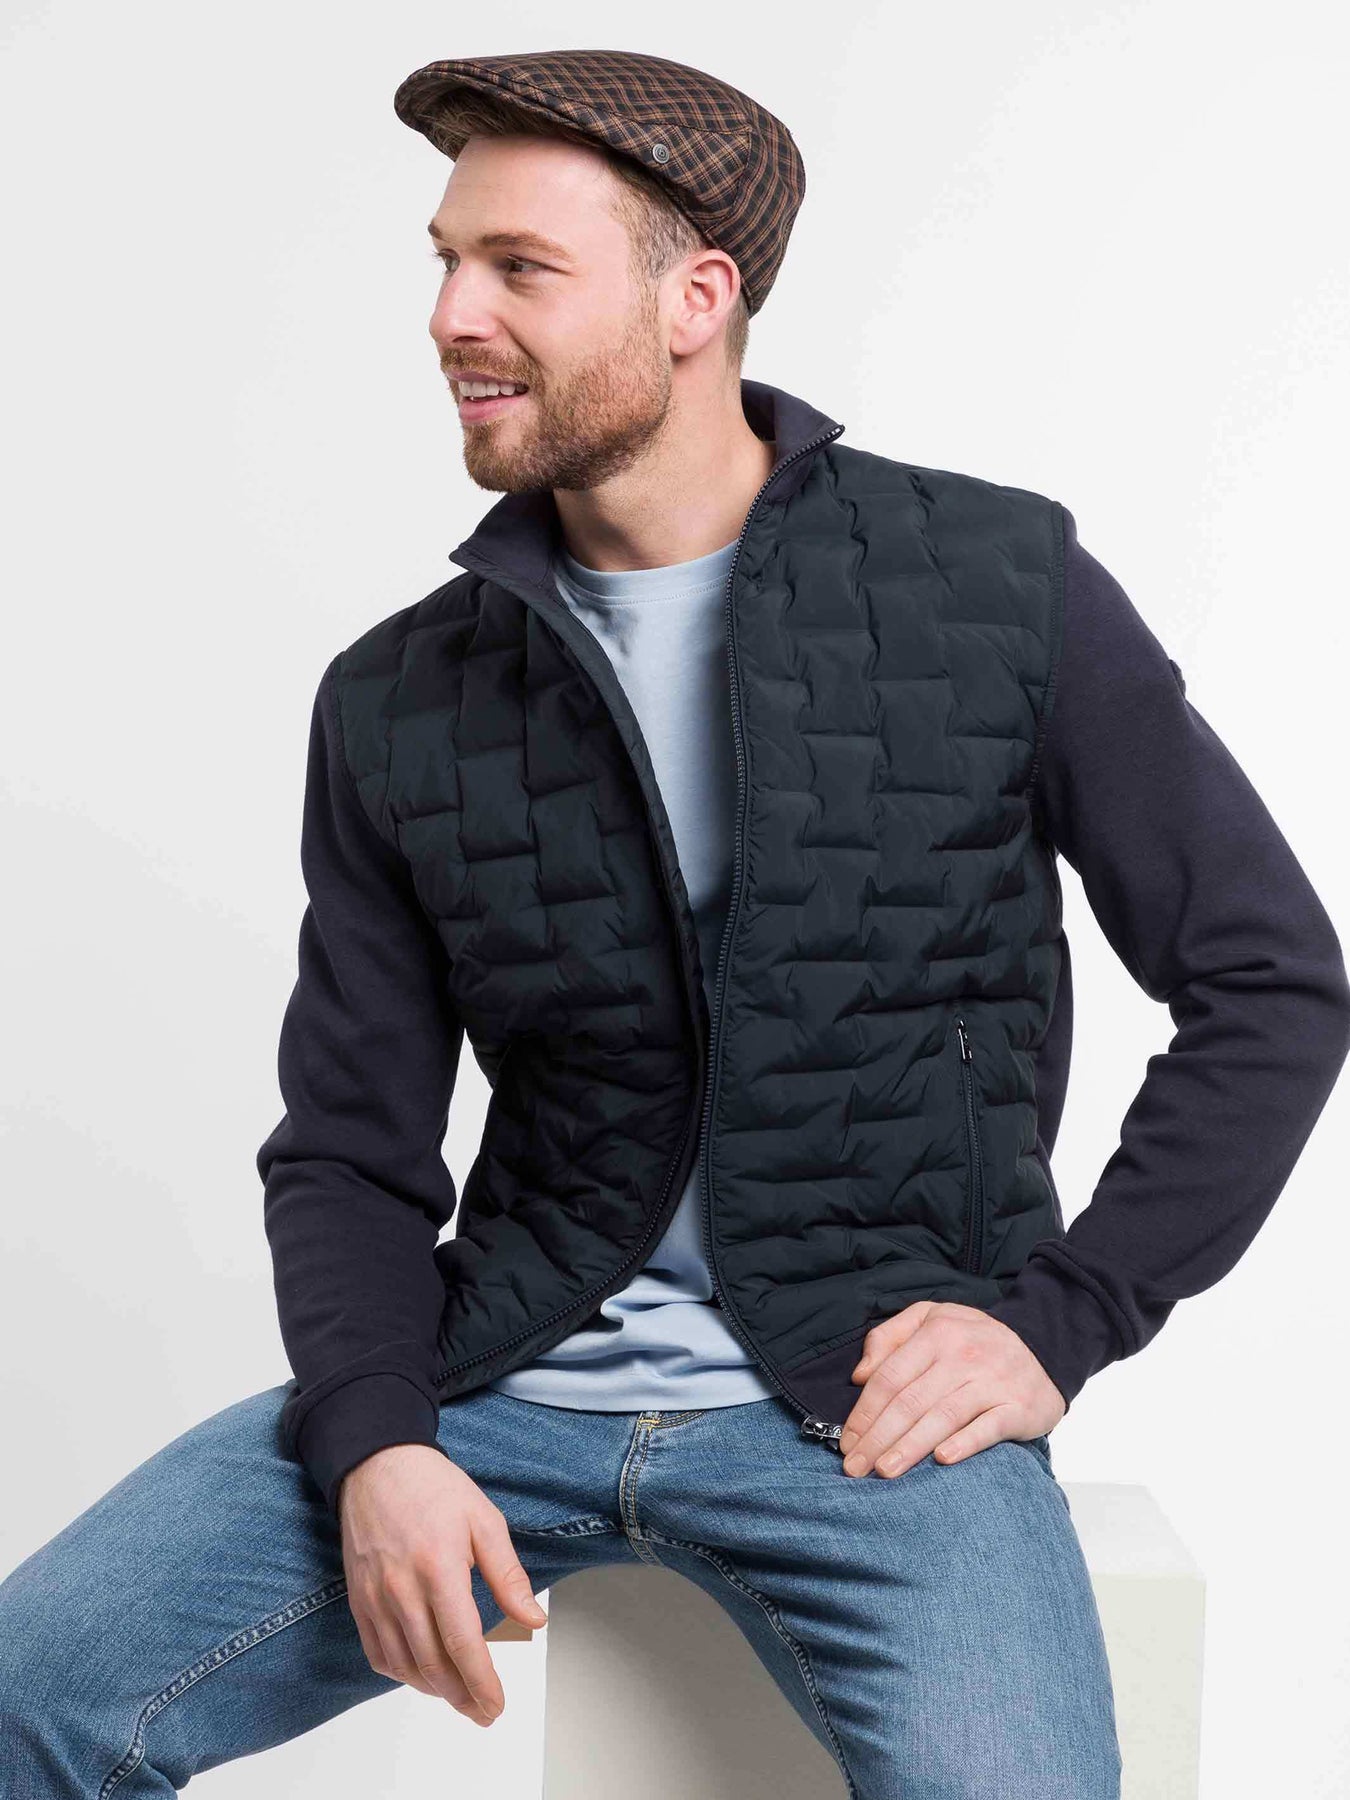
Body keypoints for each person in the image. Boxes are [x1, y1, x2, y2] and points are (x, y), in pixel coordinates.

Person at [3, 46, 1347, 1800]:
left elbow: (1267, 980)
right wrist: (376, 1442)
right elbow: (347, 1146)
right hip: (491, 1386)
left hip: (865, 1421)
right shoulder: (400, 693)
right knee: (26, 1693)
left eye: (519, 267)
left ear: (696, 299)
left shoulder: (994, 586)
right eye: (445, 260)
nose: (450, 315)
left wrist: (1058, 1319)